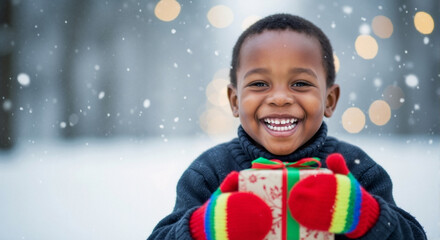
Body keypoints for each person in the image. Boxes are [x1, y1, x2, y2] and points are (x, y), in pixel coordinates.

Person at [148, 14, 426, 240]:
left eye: (300, 84)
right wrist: (204, 228)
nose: (280, 98)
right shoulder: (209, 173)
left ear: (329, 100)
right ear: (234, 101)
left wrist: (362, 215)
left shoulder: (358, 171)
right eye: (259, 84)